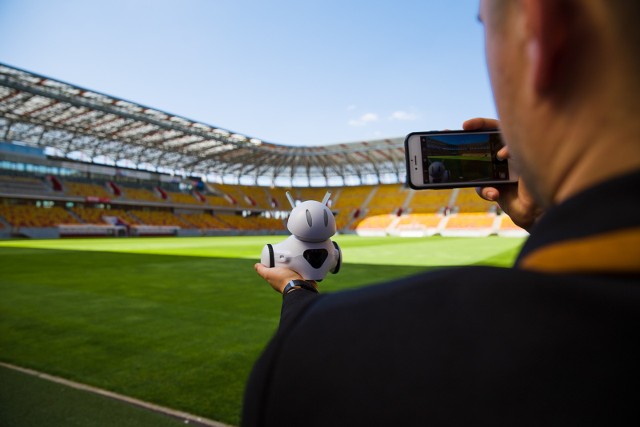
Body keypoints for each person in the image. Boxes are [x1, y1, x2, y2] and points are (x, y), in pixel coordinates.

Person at [243, 0, 640, 425]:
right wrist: (555, 218)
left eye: (484, 24)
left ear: (541, 26)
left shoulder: (328, 352)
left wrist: (296, 295)